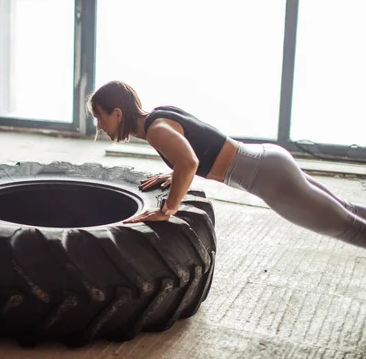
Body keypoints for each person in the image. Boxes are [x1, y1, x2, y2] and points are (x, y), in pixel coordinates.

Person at [87, 80, 366, 249]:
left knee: (350, 229)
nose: (99, 125)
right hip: (269, 161)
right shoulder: (159, 115)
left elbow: (190, 161)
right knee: (349, 212)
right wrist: (175, 173)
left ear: (118, 112)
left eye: (99, 117)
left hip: (269, 179)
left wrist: (167, 210)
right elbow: (196, 146)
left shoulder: (157, 130)